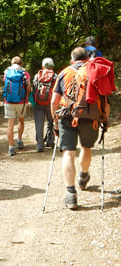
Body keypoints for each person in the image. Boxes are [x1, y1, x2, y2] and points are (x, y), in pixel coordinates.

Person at [51, 47, 99, 210]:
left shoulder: (64, 73)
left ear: (72, 60)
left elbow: (54, 101)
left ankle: (71, 195)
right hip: (89, 117)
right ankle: (84, 176)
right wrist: (103, 119)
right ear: (87, 59)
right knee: (86, 147)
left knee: (68, 153)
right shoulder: (93, 72)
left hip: (67, 116)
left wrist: (54, 121)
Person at [3, 56, 31, 156]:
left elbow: (5, 85)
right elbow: (28, 87)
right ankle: (19, 140)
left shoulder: (7, 72)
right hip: (21, 101)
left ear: (12, 63)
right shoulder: (24, 73)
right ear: (21, 64)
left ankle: (11, 147)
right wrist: (26, 97)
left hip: (8, 101)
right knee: (21, 121)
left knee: (10, 125)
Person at [32, 57, 57, 152]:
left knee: (39, 123)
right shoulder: (55, 76)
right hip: (51, 102)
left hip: (38, 102)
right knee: (52, 121)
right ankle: (50, 141)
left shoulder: (37, 75)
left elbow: (34, 88)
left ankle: (39, 145)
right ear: (52, 66)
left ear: (42, 66)